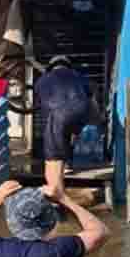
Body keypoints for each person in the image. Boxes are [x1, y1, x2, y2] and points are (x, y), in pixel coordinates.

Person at [33, 55, 103, 198]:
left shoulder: (42, 80)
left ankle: (57, 196)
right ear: (68, 66)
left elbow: (41, 105)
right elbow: (92, 93)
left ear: (51, 67)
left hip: (58, 114)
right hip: (83, 112)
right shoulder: (78, 76)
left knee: (53, 157)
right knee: (65, 136)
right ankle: (66, 168)